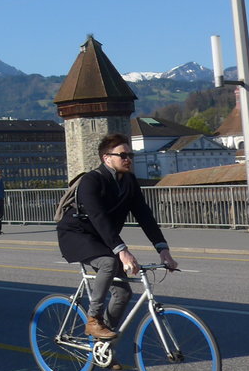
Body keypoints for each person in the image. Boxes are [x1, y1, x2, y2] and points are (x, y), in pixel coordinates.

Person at [56, 133, 178, 340]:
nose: (128, 159)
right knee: (108, 263)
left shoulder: (128, 181)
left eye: (131, 155)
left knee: (123, 294)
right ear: (107, 158)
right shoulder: (91, 181)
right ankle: (93, 319)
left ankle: (102, 345)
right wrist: (122, 251)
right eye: (123, 155)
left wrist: (163, 249)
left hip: (102, 238)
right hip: (76, 235)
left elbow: (144, 215)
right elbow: (98, 217)